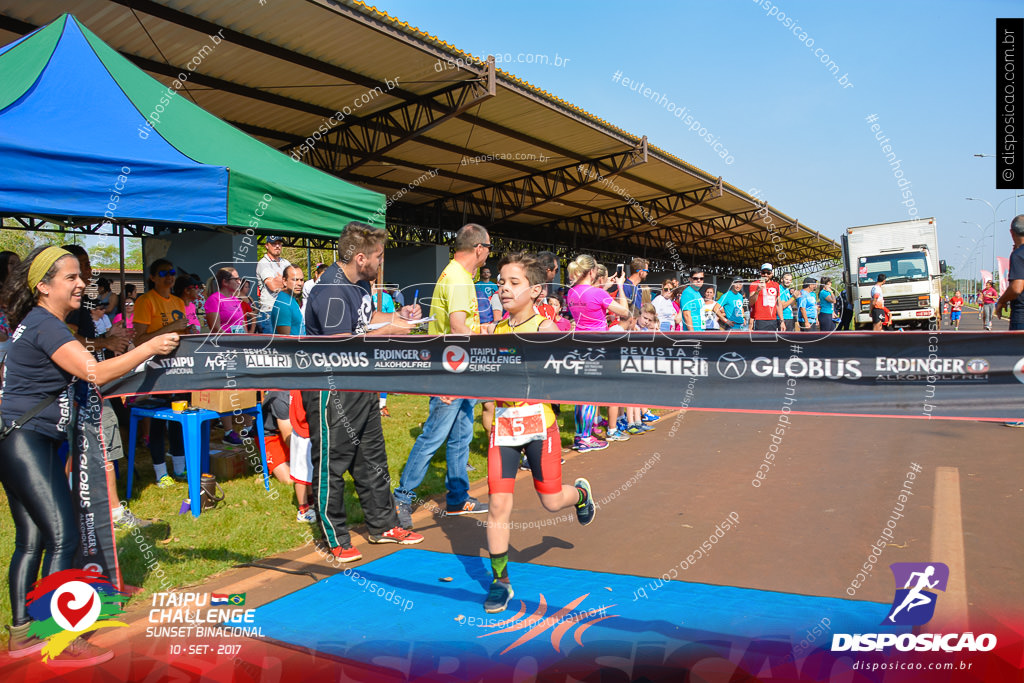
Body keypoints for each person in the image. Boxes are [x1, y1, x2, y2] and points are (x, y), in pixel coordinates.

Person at [0, 245, 179, 664]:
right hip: (28, 440)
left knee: (32, 540)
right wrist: (149, 349)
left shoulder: (38, 322)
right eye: (70, 278)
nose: (82, 284)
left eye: (81, 277)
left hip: (17, 439)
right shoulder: (45, 325)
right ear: (43, 287)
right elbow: (94, 371)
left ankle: (22, 633)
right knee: (62, 536)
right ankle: (58, 636)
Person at [303, 221, 424, 562]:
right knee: (332, 463)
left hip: (361, 384)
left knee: (372, 460)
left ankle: (382, 523)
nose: (380, 263)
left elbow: (367, 321)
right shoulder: (330, 290)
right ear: (360, 258)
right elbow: (343, 341)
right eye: (378, 256)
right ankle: (335, 536)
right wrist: (388, 333)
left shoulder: (359, 285)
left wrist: (400, 317)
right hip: (333, 389)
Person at [483, 251, 595, 614]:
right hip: (503, 426)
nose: (504, 289)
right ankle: (500, 581)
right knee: (498, 504)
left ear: (536, 291)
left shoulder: (546, 331)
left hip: (537, 425)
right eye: (501, 282)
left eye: (514, 283)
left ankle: (579, 495)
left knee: (549, 500)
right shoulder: (494, 330)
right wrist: (488, 409)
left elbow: (568, 373)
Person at [395, 224, 492, 528]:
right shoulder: (460, 280)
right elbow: (459, 327)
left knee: (461, 435)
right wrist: (483, 339)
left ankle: (457, 496)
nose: (488, 254)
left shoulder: (451, 274)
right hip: (453, 370)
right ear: (478, 248)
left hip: (454, 368)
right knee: (435, 435)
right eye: (488, 248)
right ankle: (402, 497)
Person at [565, 254, 629, 452]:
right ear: (593, 272)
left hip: (579, 344)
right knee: (591, 393)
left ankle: (581, 434)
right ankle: (585, 438)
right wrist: (620, 287)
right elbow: (625, 312)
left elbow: (589, 301)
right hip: (596, 347)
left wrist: (603, 288)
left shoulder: (571, 292)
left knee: (581, 394)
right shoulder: (597, 294)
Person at [133, 259, 189, 483]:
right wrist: (171, 328)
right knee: (157, 420)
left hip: (178, 367)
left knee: (178, 417)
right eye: (163, 273)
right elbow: (140, 340)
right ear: (153, 278)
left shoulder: (178, 301)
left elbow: (180, 333)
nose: (169, 276)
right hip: (155, 369)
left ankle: (179, 468)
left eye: (172, 271)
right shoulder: (145, 301)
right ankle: (160, 473)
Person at [996, 215, 1024, 427]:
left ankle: (1018, 416)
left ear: (1011, 232)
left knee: (1019, 365)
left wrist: (1001, 301)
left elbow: (1017, 288)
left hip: (1022, 317)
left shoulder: (1018, 254)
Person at [255, 236, 290, 334]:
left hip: (285, 309)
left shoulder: (285, 262)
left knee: (286, 346)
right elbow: (273, 286)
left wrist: (280, 280)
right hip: (269, 312)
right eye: (274, 243)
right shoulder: (263, 263)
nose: (277, 246)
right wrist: (287, 282)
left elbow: (296, 284)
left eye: (279, 243)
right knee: (272, 347)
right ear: (266, 245)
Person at [748, 263, 783, 331]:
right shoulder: (754, 284)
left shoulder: (776, 285)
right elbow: (751, 303)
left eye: (768, 273)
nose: (766, 275)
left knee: (772, 340)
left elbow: (778, 304)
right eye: (764, 272)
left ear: (772, 274)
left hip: (773, 320)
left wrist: (782, 321)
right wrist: (757, 291)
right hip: (760, 320)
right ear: (761, 273)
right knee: (760, 341)